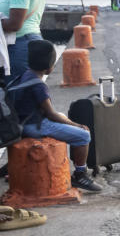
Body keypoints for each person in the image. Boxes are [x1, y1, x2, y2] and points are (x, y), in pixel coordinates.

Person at [8, 40, 103, 192]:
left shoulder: (25, 75)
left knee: (62, 116)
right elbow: (50, 114)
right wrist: (76, 125)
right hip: (34, 126)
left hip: (20, 123)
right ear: (49, 69)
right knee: (83, 135)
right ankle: (80, 174)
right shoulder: (39, 85)